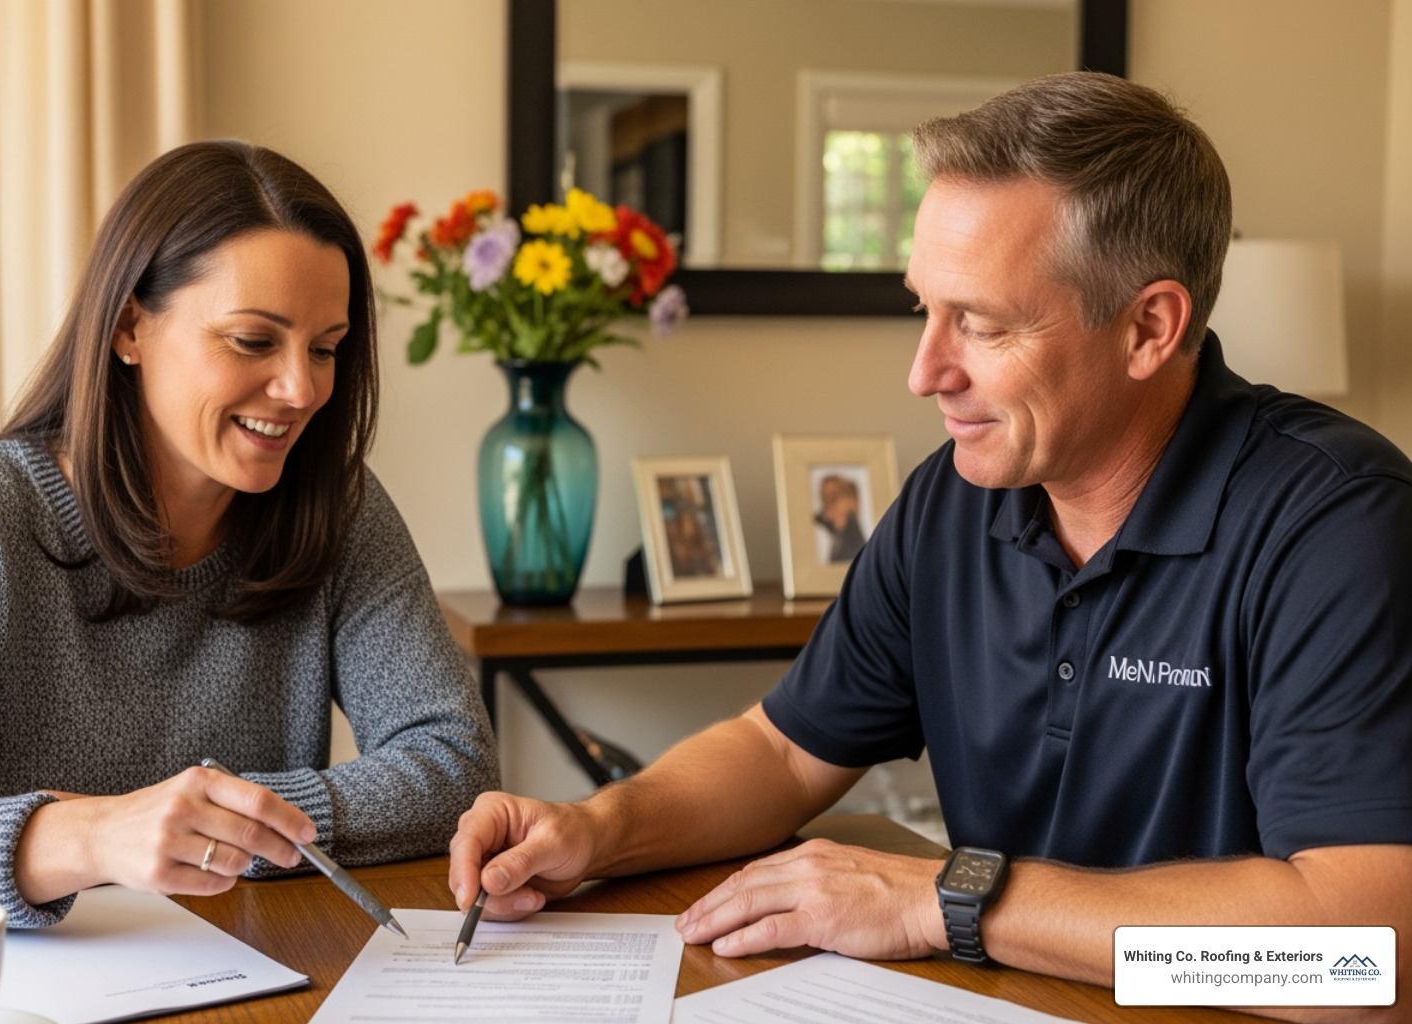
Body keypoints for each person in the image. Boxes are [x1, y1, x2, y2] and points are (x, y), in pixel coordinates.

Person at [447, 73, 1412, 1017]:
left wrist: (942, 899)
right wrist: (594, 829)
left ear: (1150, 327)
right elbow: (784, 753)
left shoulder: (1339, 525)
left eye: (983, 325)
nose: (925, 373)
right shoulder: (954, 501)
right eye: (925, 309)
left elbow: (1364, 966)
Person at [0, 140, 499, 928]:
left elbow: (457, 766)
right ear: (130, 327)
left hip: (267, 966)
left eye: (327, 349)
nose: (301, 389)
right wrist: (91, 835)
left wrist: (227, 821)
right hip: (46, 980)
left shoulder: (339, 506)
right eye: (252, 340)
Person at [813, 473, 865, 563]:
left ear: (853, 501)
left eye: (834, 498)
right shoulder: (835, 534)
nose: (828, 508)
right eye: (825, 501)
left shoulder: (855, 543)